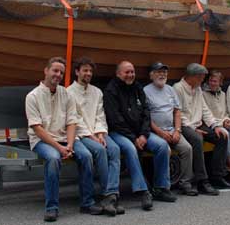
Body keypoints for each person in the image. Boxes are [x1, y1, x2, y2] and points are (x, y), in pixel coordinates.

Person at [25, 57, 100, 222]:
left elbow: (72, 122)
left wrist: (71, 145)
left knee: (86, 156)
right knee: (53, 158)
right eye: (55, 71)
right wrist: (60, 148)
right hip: (42, 140)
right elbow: (37, 129)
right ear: (46, 71)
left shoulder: (66, 94)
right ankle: (51, 207)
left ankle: (87, 203)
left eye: (61, 72)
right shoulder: (32, 96)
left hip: (66, 139)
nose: (58, 75)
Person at [104, 61, 176, 211]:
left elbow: (146, 113)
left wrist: (143, 134)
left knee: (162, 146)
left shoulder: (137, 87)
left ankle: (160, 187)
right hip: (119, 133)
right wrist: (134, 137)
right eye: (127, 72)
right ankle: (143, 191)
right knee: (130, 148)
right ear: (118, 74)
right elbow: (115, 119)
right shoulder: (111, 90)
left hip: (140, 133)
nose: (130, 75)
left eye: (132, 72)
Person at [67, 57, 123, 216]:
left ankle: (111, 195)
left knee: (115, 149)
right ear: (77, 72)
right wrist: (92, 137)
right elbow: (74, 119)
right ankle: (107, 195)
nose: (88, 73)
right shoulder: (68, 93)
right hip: (82, 134)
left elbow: (100, 115)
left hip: (98, 132)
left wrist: (100, 133)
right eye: (85, 70)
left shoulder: (97, 92)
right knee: (100, 150)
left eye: (90, 71)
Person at [173, 63, 230, 193]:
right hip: (185, 125)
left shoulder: (197, 88)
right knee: (197, 139)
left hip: (198, 123)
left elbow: (204, 109)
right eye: (201, 78)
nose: (203, 80)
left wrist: (215, 126)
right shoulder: (178, 88)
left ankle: (217, 176)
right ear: (193, 77)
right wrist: (192, 128)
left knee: (222, 136)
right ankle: (202, 180)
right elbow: (179, 113)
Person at [144, 62, 198, 196]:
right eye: (158, 72)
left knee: (187, 148)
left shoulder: (170, 89)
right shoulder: (145, 91)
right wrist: (161, 133)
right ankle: (162, 186)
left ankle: (185, 183)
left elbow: (177, 112)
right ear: (151, 75)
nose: (162, 74)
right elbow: (146, 117)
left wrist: (177, 130)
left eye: (164, 72)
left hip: (172, 129)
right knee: (165, 150)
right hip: (155, 132)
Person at [202, 70, 230, 183]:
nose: (213, 83)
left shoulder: (223, 94)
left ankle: (225, 160)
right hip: (212, 123)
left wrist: (227, 120)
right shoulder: (203, 94)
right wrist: (220, 124)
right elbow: (206, 113)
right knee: (225, 135)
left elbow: (226, 111)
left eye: (215, 81)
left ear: (220, 83)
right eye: (211, 80)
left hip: (223, 121)